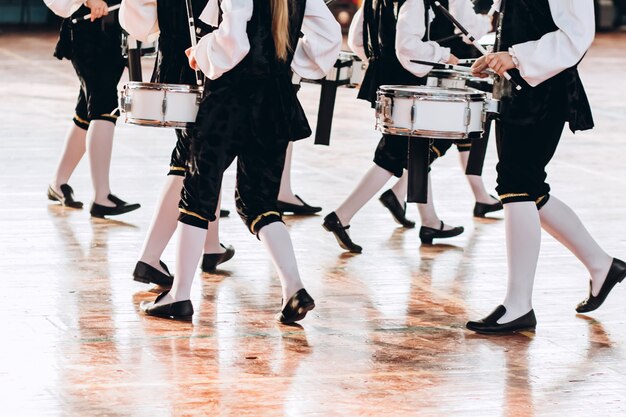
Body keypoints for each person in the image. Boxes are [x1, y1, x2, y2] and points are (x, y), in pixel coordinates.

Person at [139, 0, 342, 322]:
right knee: (259, 203)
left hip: (229, 102)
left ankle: (179, 295)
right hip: (276, 101)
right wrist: (286, 61)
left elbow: (234, 40)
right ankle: (294, 289)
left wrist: (203, 53)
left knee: (197, 196)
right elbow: (330, 35)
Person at [466, 0, 626, 335]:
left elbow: (577, 35)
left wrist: (517, 57)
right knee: (526, 187)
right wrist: (497, 54)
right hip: (518, 88)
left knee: (517, 185)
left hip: (544, 92)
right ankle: (602, 266)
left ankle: (518, 303)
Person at [322, 0, 495, 253]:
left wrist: (380, 63)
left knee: (416, 151)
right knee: (391, 158)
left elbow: (358, 40)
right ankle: (342, 216)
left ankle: (430, 222)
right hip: (407, 85)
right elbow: (408, 48)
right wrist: (443, 54)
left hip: (387, 82)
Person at [119, 0, 234, 287]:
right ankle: (149, 258)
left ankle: (211, 245)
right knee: (191, 160)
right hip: (206, 63)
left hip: (177, 60)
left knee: (206, 155)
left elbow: (137, 21)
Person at [45, 0, 141, 218]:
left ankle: (58, 184)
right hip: (86, 31)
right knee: (104, 108)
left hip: (113, 29)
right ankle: (101, 196)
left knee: (86, 112)